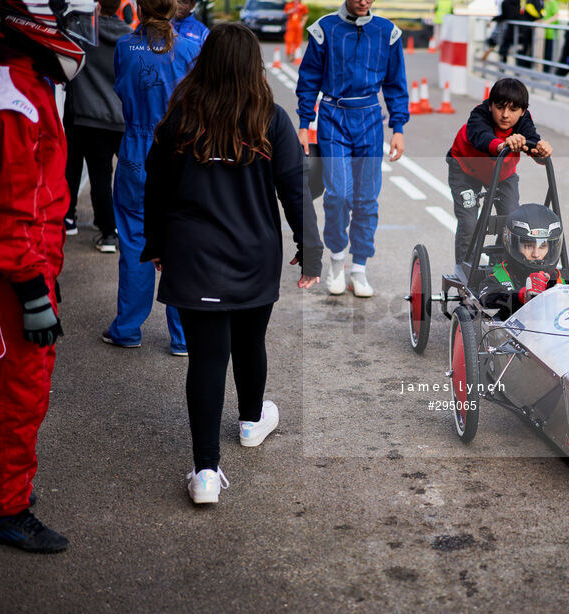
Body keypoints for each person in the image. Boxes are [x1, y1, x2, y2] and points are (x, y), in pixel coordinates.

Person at [142, 23, 322, 504]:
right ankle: (248, 423)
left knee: (206, 356)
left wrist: (155, 243)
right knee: (249, 338)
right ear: (252, 67)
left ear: (208, 63)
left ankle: (205, 473)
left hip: (193, 255)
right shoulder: (271, 119)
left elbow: (155, 187)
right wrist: (311, 251)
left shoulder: (181, 116)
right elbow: (294, 190)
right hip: (253, 254)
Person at [0, 0, 98, 554]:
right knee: (19, 392)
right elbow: (14, 209)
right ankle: (6, 508)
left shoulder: (25, 82)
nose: (79, 33)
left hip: (23, 267)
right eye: (71, 21)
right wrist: (34, 287)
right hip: (13, 278)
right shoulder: (14, 94)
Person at [104, 0, 200, 355]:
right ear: (174, 9)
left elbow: (120, 89)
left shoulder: (124, 47)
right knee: (179, 241)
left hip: (134, 150)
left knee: (133, 240)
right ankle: (183, 336)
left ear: (140, 8)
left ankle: (127, 327)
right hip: (176, 153)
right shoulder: (191, 49)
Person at [296, 0, 408, 298]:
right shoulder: (324, 30)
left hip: (370, 119)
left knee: (366, 199)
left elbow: (396, 84)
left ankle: (359, 267)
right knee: (338, 194)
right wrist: (304, 124)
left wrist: (398, 128)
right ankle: (335, 260)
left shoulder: (388, 32)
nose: (363, 1)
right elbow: (308, 80)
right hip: (333, 117)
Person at [447, 78, 553, 265]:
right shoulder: (479, 115)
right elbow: (481, 137)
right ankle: (465, 269)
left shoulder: (524, 122)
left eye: (513, 110)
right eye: (500, 107)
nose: (505, 115)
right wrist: (502, 145)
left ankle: (499, 265)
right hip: (465, 169)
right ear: (490, 105)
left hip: (501, 173)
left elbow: (532, 144)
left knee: (512, 220)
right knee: (470, 222)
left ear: (523, 111)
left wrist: (541, 152)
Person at [64, 0, 132, 253]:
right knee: (129, 175)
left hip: (90, 116)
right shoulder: (129, 37)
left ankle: (108, 233)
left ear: (99, 6)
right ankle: (128, 227)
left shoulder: (82, 34)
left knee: (100, 177)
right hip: (122, 117)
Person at [478, 204, 564, 320]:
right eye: (528, 246)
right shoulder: (498, 277)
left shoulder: (557, 277)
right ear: (514, 247)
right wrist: (523, 297)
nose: (536, 254)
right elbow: (489, 301)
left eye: (542, 246)